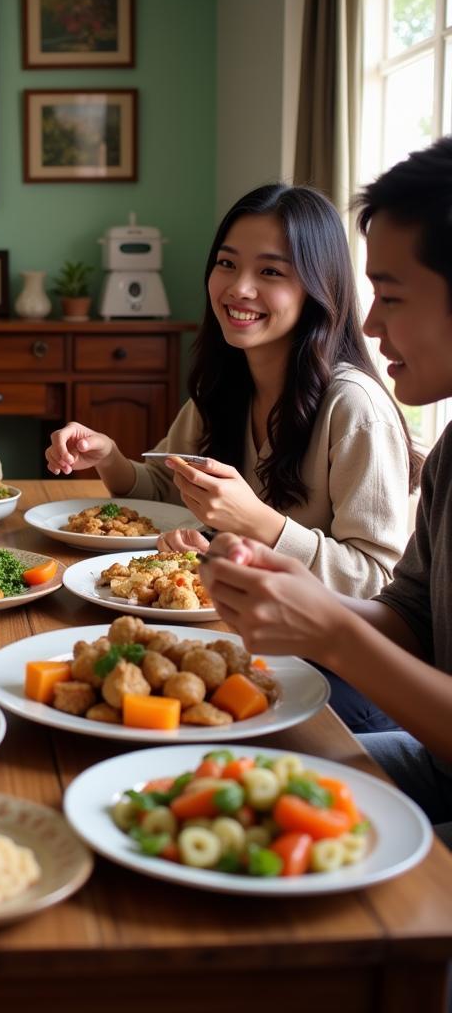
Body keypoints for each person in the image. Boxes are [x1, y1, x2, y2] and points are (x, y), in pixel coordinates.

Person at [199, 138, 452, 845]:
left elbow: (368, 591)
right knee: (197, 778)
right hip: (436, 761)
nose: (368, 324)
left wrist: (331, 626)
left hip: (391, 715)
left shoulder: (354, 403)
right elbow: (407, 611)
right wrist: (299, 592)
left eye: (392, 297)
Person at [45, 183, 420, 600]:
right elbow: (166, 491)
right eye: (227, 263)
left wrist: (257, 523)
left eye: (271, 271)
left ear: (318, 287)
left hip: (316, 653)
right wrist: (109, 457)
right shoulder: (225, 383)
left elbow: (376, 581)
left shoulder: (355, 408)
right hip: (232, 619)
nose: (239, 288)